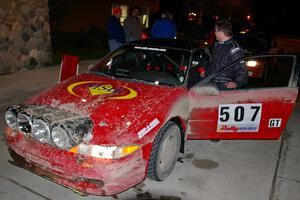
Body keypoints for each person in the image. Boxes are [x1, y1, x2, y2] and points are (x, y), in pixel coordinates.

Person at [200, 19, 248, 90]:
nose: (215, 33)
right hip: (212, 84)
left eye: (216, 31)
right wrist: (206, 73)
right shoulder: (218, 46)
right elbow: (215, 66)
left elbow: (242, 70)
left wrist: (236, 82)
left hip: (224, 87)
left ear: (221, 33)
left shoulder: (234, 49)